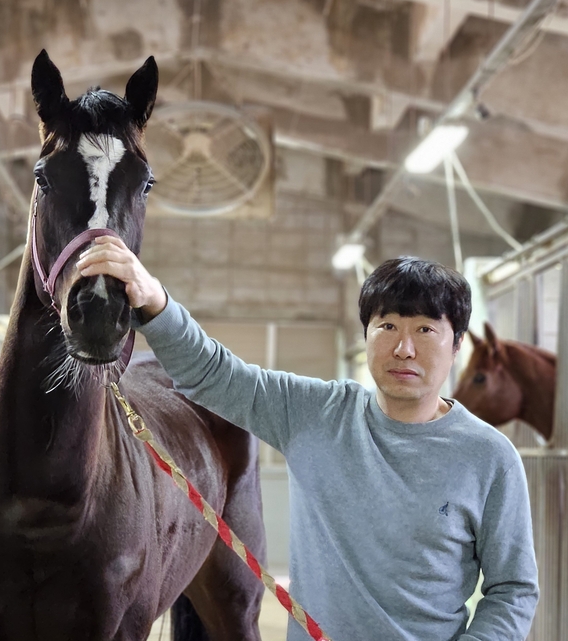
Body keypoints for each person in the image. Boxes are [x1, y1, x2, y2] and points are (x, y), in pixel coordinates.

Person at [77, 239, 539, 641]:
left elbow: (513, 589)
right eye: (388, 326)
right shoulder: (313, 413)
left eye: (425, 330)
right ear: (367, 334)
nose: (404, 347)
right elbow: (213, 374)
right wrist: (155, 303)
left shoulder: (489, 458)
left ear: (456, 344)